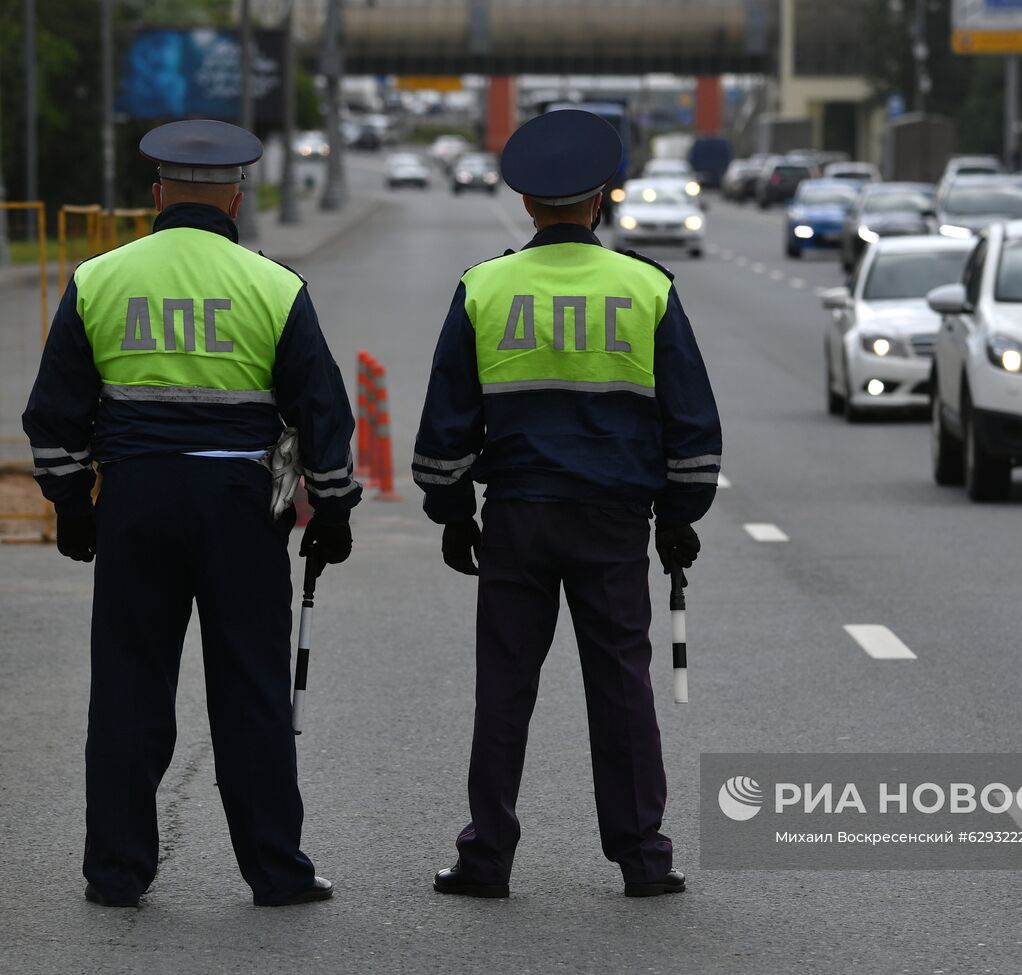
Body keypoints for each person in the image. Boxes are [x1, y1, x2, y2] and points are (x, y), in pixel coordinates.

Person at [23, 120, 360, 908]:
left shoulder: (99, 278)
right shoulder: (274, 286)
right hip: (240, 508)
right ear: (236, 199)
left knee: (128, 690)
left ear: (156, 196)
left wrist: (74, 506)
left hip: (136, 503)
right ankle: (276, 869)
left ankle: (115, 871)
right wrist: (333, 508)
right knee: (251, 691)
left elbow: (54, 415)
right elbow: (322, 414)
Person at [414, 109, 722, 899]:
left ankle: (487, 857)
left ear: (526, 205)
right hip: (614, 519)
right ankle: (643, 858)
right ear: (602, 200)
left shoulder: (484, 287)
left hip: (517, 514)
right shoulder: (645, 287)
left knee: (505, 687)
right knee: (621, 685)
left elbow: (447, 423)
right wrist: (680, 515)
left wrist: (453, 513)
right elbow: (689, 419)